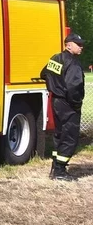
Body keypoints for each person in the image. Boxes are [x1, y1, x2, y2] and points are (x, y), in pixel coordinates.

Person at [40, 33, 85, 182]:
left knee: (59, 134)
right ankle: (60, 171)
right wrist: (76, 104)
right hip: (68, 104)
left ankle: (55, 167)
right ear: (69, 45)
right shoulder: (73, 63)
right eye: (78, 44)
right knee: (69, 136)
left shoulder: (55, 58)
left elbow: (44, 74)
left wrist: (55, 85)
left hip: (56, 102)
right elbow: (74, 87)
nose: (81, 47)